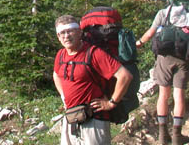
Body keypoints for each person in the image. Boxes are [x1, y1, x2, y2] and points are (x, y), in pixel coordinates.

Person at [53, 14, 133, 145]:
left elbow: (125, 76)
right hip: (71, 118)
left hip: (95, 120)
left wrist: (111, 103)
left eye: (70, 31)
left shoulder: (94, 53)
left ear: (79, 32)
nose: (66, 36)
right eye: (62, 33)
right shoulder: (60, 55)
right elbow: (56, 75)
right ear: (58, 36)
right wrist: (64, 96)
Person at [136, 0, 189, 145]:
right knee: (179, 95)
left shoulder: (163, 13)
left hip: (164, 58)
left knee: (163, 95)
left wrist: (139, 43)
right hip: (183, 60)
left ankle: (162, 134)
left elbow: (150, 33)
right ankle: (177, 137)